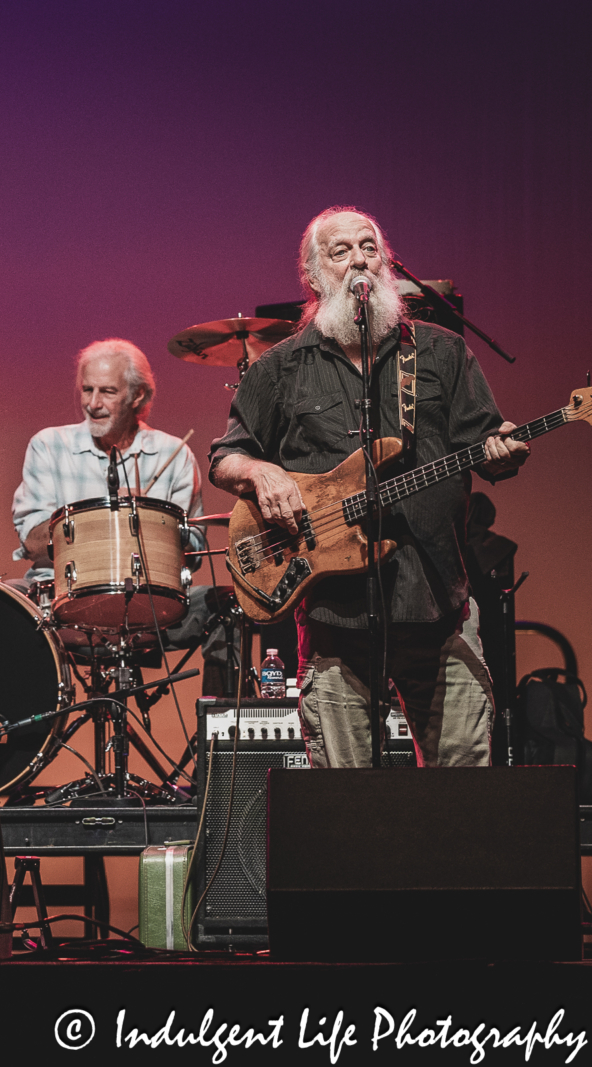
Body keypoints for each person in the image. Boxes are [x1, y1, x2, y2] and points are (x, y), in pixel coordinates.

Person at [209, 206, 529, 768]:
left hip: (436, 602)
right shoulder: (279, 369)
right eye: (341, 251)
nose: (359, 258)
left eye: (369, 247)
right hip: (335, 617)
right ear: (313, 276)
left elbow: (486, 445)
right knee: (342, 803)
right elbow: (225, 458)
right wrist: (262, 472)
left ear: (386, 262)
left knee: (464, 790)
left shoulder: (440, 353)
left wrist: (504, 449)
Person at [9, 339, 222, 679]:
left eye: (107, 391)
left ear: (137, 395)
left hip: (149, 603)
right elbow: (32, 540)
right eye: (86, 390)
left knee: (225, 607)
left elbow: (193, 552)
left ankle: (219, 728)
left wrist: (152, 524)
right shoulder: (49, 445)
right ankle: (33, 731)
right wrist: (106, 529)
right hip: (61, 602)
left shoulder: (174, 454)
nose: (93, 403)